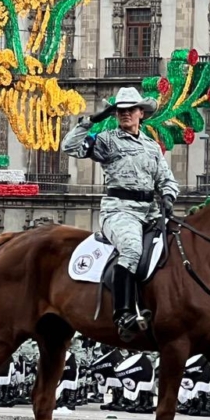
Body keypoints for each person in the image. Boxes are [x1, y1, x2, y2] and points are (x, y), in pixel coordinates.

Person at [62, 87, 178, 341]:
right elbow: (69, 147)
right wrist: (93, 120)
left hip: (150, 212)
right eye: (120, 110)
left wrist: (168, 196)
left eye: (130, 110)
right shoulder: (107, 140)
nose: (125, 114)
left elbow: (167, 179)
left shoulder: (151, 146)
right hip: (119, 211)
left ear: (141, 114)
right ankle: (122, 314)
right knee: (132, 249)